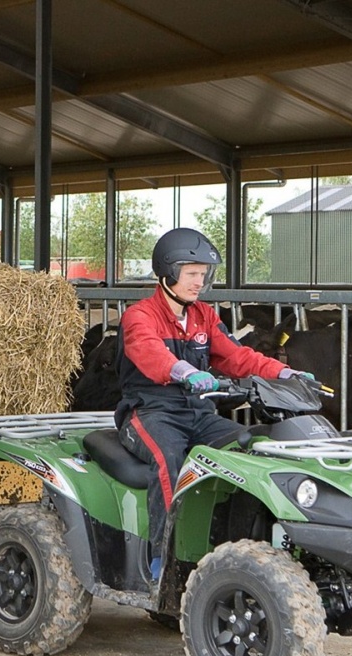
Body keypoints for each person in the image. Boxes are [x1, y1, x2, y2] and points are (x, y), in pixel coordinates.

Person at [113, 227, 312, 583]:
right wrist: (185, 372)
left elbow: (237, 357)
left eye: (203, 274)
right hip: (151, 412)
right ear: (167, 273)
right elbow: (150, 352)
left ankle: (239, 546)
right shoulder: (140, 316)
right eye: (191, 273)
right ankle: (163, 559)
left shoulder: (204, 315)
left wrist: (285, 373)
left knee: (250, 449)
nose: (199, 282)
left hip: (199, 413)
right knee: (168, 460)